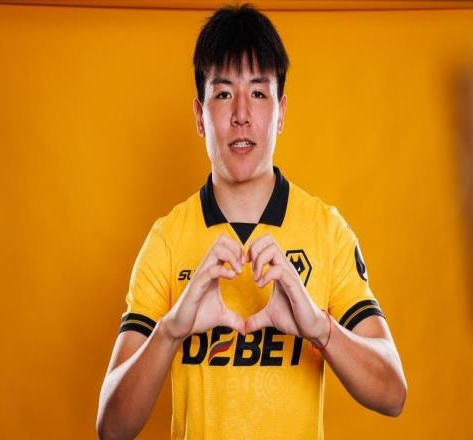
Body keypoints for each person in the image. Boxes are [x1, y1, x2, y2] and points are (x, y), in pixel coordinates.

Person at [96, 4, 407, 439]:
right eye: (224, 94)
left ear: (281, 112)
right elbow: (111, 427)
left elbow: (393, 393)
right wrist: (170, 331)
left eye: (258, 93)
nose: (241, 113)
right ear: (199, 116)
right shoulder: (167, 239)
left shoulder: (327, 231)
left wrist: (320, 329)